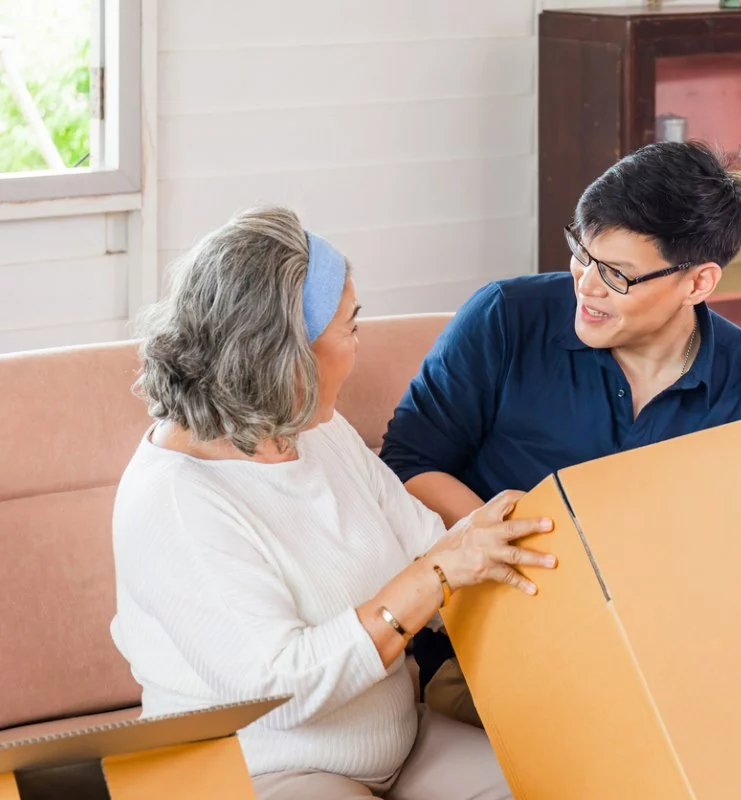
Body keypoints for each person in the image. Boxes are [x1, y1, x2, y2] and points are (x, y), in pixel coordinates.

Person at [108, 207, 557, 800]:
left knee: (557, 781)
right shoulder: (174, 501)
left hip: (399, 744)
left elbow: (427, 544)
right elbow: (280, 688)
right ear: (283, 357)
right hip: (259, 770)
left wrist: (511, 551)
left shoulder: (310, 427)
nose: (358, 346)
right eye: (349, 327)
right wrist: (438, 573)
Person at [379, 140, 741, 726]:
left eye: (615, 274)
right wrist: (499, 547)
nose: (585, 284)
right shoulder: (505, 317)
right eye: (581, 252)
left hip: (673, 642)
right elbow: (406, 462)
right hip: (497, 637)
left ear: (698, 283)